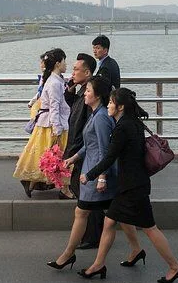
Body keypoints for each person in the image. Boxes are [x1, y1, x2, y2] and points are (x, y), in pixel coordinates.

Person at [78, 88, 178, 283]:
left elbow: (109, 157)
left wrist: (90, 175)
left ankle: (175, 266)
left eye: (111, 103)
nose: (108, 105)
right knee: (111, 222)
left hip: (132, 187)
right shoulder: (134, 123)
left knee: (150, 228)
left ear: (120, 107)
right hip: (134, 184)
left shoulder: (122, 128)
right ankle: (99, 264)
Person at [48, 76, 116, 270]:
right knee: (115, 216)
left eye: (87, 91)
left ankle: (68, 254)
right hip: (91, 168)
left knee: (83, 212)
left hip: (95, 173)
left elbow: (105, 150)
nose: (84, 93)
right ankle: (136, 251)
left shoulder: (101, 117)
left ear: (97, 95)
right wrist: (73, 158)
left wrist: (101, 177)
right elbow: (89, 145)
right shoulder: (95, 114)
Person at [14, 48, 71, 198]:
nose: (67, 64)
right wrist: (57, 129)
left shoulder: (54, 80)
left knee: (46, 155)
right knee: (58, 156)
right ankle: (64, 188)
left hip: (47, 124)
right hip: (52, 126)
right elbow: (54, 107)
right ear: (58, 63)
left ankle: (32, 182)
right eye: (64, 61)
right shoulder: (54, 83)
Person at [63, 53, 104, 249]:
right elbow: (73, 109)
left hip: (83, 152)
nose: (72, 72)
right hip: (79, 150)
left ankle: (93, 236)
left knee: (86, 195)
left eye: (76, 69)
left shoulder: (90, 97)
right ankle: (91, 234)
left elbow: (89, 129)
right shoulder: (81, 93)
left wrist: (77, 153)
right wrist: (70, 90)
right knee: (83, 193)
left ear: (87, 73)